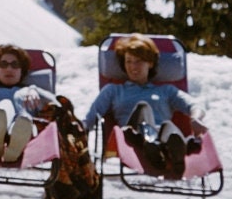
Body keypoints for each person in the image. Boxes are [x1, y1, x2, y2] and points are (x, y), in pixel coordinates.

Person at [81, 34, 207, 180]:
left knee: (168, 127)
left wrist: (196, 118)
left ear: (150, 63)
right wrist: (79, 128)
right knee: (143, 108)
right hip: (132, 139)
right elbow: (91, 117)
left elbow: (194, 105)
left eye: (139, 61)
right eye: (129, 61)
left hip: (162, 139)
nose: (133, 67)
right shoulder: (113, 90)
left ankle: (174, 154)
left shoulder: (166, 90)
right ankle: (152, 146)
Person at [0, 43, 54, 162]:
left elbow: (58, 107)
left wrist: (36, 91)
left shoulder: (30, 92)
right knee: (4, 106)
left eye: (15, 65)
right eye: (3, 64)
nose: (9, 69)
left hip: (25, 133)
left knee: (24, 119)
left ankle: (15, 144)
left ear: (22, 71)